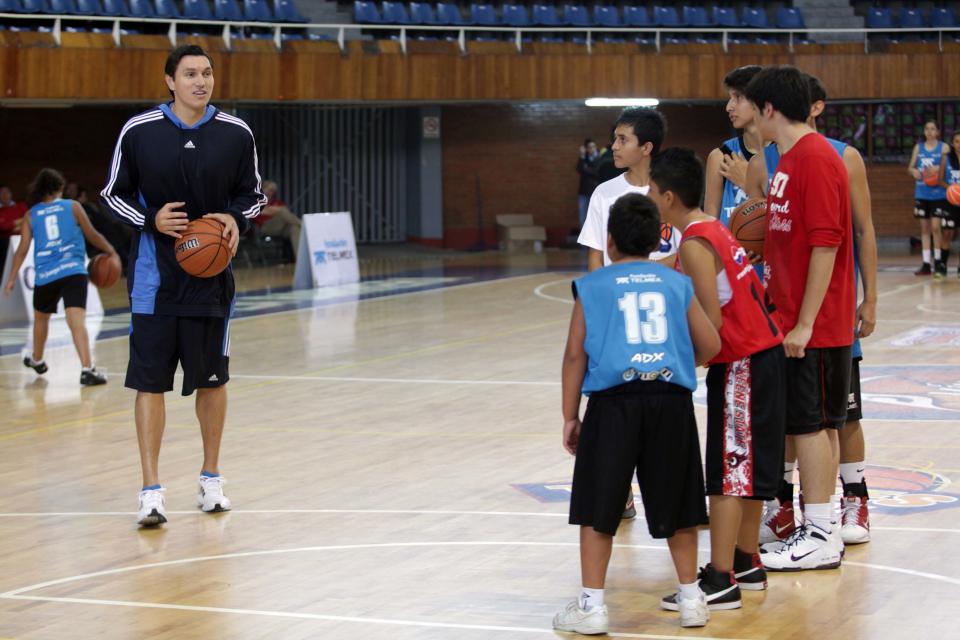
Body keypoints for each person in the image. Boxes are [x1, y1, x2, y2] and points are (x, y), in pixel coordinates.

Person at [100, 44, 266, 527]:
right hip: (154, 281)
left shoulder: (236, 133)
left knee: (214, 381)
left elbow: (252, 196)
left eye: (208, 72)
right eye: (190, 73)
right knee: (149, 384)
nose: (201, 80)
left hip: (212, 280)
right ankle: (150, 489)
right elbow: (113, 194)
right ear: (170, 81)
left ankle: (211, 477)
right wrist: (150, 218)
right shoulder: (139, 131)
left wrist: (235, 219)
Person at [553, 193, 721, 634]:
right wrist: (681, 361)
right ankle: (690, 598)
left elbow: (574, 357)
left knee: (599, 507)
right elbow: (711, 345)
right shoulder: (677, 284)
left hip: (613, 405)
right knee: (679, 504)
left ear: (609, 240)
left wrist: (571, 416)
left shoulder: (592, 287)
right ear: (656, 239)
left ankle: (592, 606)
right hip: (669, 402)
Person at [746, 74, 878, 549]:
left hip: (816, 326)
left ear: (768, 109)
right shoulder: (785, 162)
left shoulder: (819, 158)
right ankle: (813, 526)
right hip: (790, 320)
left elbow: (827, 244)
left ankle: (822, 532)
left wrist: (803, 322)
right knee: (806, 426)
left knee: (819, 426)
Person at [649, 148, 784, 611]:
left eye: (651, 190)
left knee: (728, 474)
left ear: (667, 198)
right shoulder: (713, 227)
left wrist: (686, 364)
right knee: (745, 471)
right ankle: (747, 560)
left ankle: (720, 578)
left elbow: (711, 323)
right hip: (764, 356)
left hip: (742, 362)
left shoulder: (692, 243)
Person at [577, 106, 683, 519]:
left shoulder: (670, 192)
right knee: (610, 402)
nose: (614, 146)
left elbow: (685, 254)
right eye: (615, 138)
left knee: (661, 402)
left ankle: (669, 491)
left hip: (661, 317)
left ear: (647, 147)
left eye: (623, 139)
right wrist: (593, 311)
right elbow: (594, 259)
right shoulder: (606, 193)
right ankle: (618, 491)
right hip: (616, 316)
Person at [3, 169, 115, 385]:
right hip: (72, 270)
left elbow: (22, 249)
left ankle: (37, 359)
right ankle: (87, 369)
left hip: (46, 274)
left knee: (40, 320)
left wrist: (10, 279)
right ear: (59, 188)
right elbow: (92, 234)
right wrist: (111, 251)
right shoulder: (72, 206)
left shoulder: (31, 214)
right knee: (76, 321)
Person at [704, 66, 765, 226]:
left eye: (737, 97)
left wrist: (748, 183)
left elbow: (789, 218)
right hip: (730, 250)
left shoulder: (784, 154)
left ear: (760, 100)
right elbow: (710, 227)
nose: (729, 107)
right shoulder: (720, 157)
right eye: (730, 98)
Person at [907, 120, 950, 276]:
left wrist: (939, 168)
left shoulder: (944, 147)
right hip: (922, 193)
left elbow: (951, 165)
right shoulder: (918, 147)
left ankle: (938, 261)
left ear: (938, 132)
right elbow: (910, 167)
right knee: (924, 229)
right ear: (924, 131)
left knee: (935, 228)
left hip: (938, 194)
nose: (930, 131)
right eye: (927, 129)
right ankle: (926, 263)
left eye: (933, 129)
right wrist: (914, 172)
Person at [257, 180, 302, 259]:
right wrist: (275, 210)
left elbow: (285, 214)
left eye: (273, 191)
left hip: (281, 228)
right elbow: (262, 212)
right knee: (282, 211)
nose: (271, 192)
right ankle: (304, 225)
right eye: (269, 190)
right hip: (265, 227)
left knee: (294, 227)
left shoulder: (277, 202)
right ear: (263, 189)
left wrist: (273, 210)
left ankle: (300, 260)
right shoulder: (256, 201)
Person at [940, 131, 960, 277]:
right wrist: (951, 189)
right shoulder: (945, 158)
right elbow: (940, 180)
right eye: (957, 141)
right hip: (949, 201)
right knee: (947, 233)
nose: (959, 144)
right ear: (952, 143)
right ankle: (942, 266)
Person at [576, 138, 601, 229]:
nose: (592, 149)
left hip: (596, 192)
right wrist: (582, 157)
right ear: (586, 149)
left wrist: (585, 169)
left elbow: (597, 172)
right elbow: (579, 169)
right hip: (583, 192)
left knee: (596, 216)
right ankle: (584, 241)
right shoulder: (584, 158)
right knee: (583, 216)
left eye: (593, 146)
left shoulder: (600, 158)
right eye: (589, 147)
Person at [0, 185, 28, 259]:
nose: (5, 195)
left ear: (11, 194)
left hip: (23, 238)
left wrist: (14, 226)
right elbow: (3, 227)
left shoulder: (21, 206)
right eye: (2, 193)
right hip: (6, 243)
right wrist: (22, 220)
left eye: (7, 192)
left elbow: (30, 220)